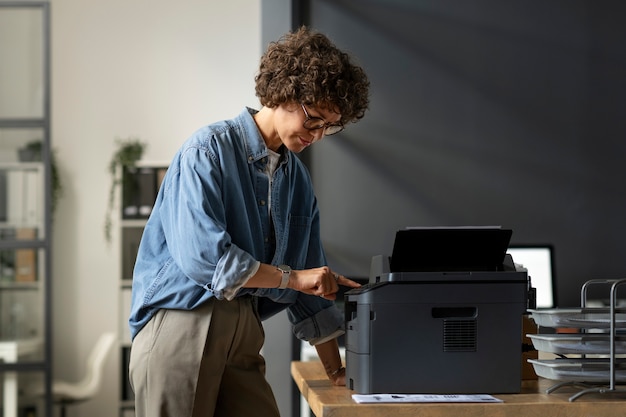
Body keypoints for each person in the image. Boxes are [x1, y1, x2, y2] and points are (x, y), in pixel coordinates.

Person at [128, 26, 370, 417]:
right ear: (285, 93)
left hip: (244, 329)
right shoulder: (207, 151)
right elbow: (207, 260)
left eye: (329, 126)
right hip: (184, 322)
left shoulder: (297, 180)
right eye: (313, 120)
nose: (319, 134)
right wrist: (292, 278)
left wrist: (336, 369)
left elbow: (312, 285)